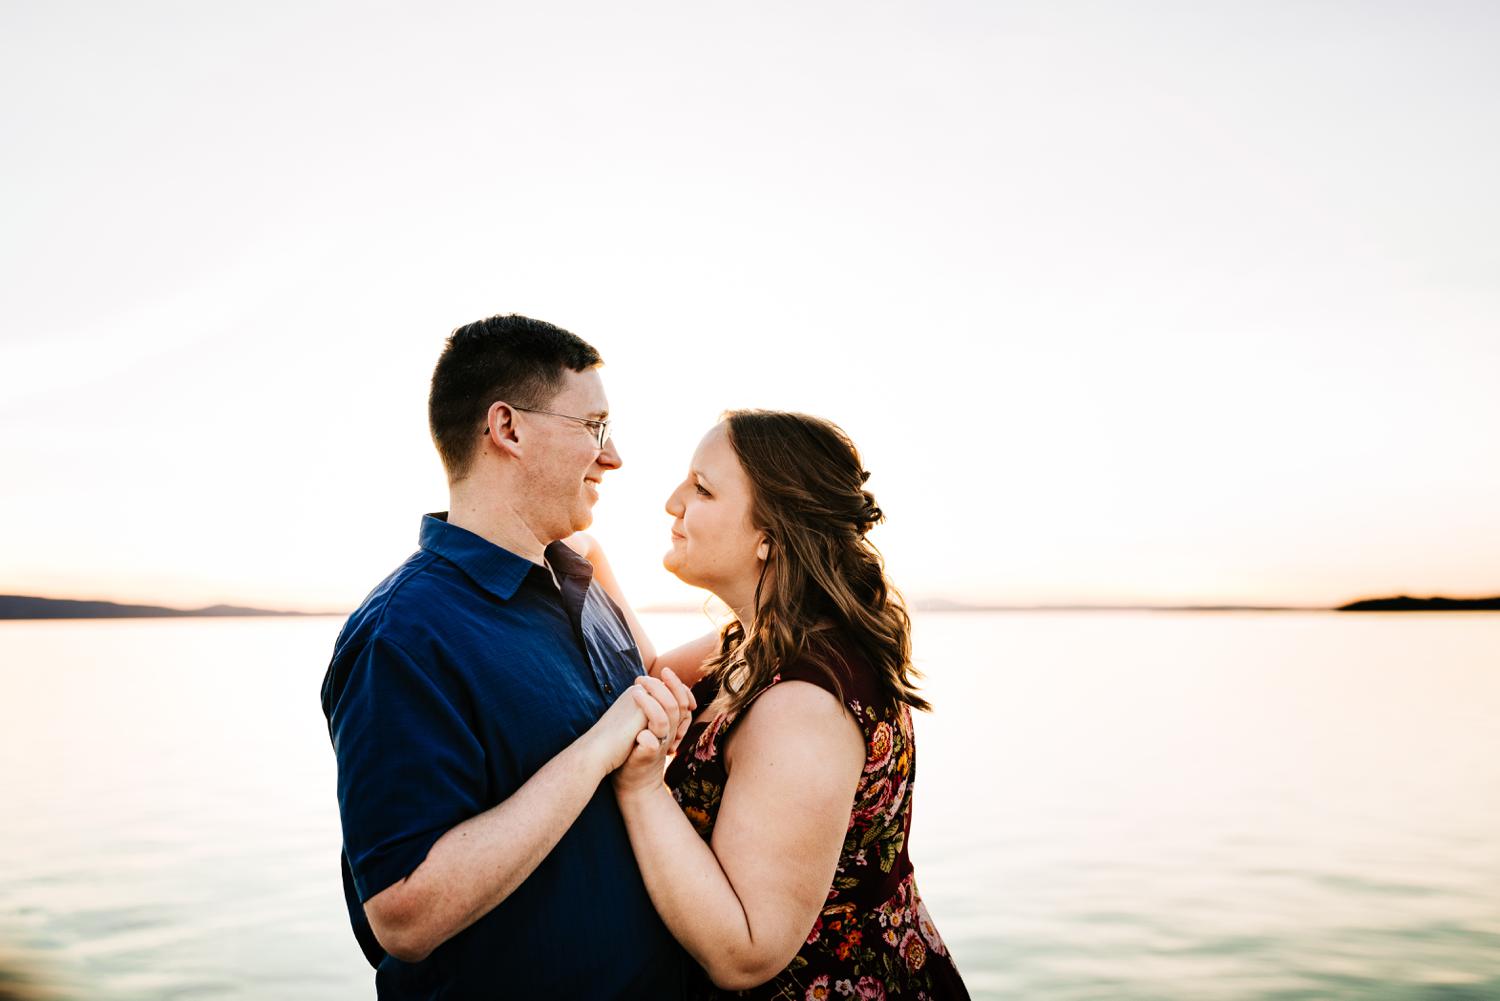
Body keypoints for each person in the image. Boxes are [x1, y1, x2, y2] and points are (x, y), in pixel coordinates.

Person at [319, 314, 706, 999]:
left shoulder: (583, 585)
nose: (612, 455)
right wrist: (594, 752)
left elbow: (640, 697)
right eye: (594, 426)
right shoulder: (403, 635)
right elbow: (403, 916)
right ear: (508, 428)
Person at [581, 410, 970, 999]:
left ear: (770, 536)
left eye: (703, 489)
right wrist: (593, 563)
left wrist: (642, 790)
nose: (672, 502)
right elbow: (655, 676)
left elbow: (746, 953)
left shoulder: (803, 710)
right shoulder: (761, 641)